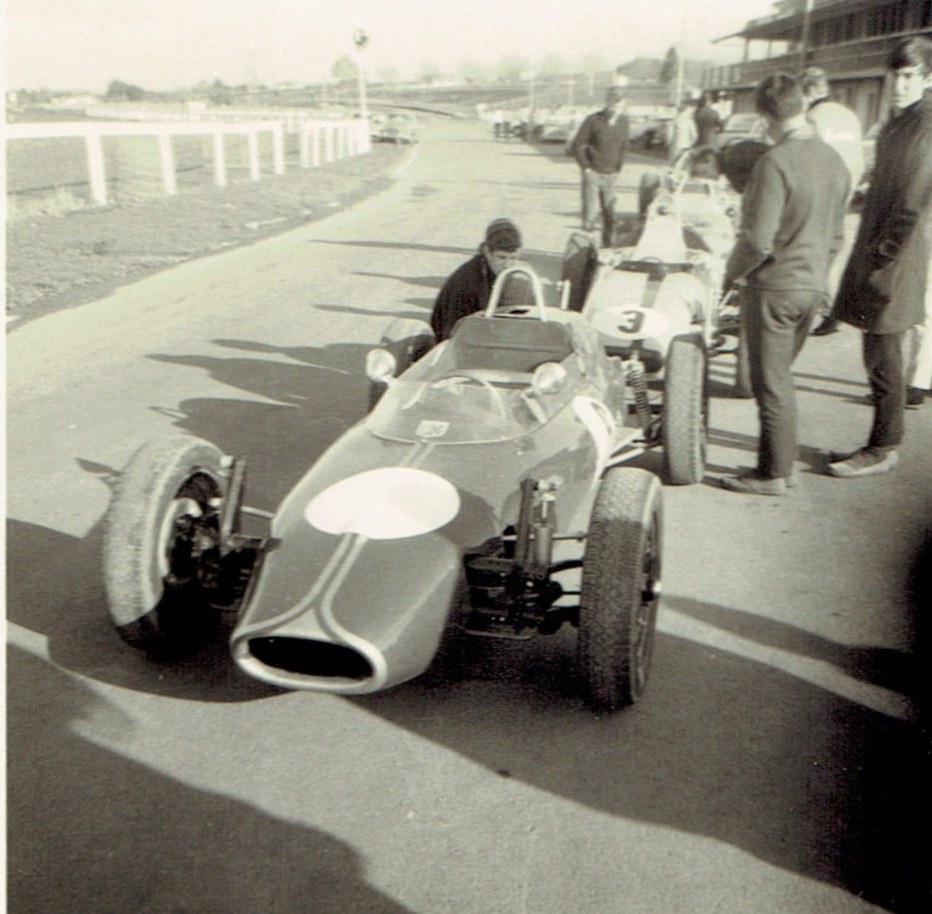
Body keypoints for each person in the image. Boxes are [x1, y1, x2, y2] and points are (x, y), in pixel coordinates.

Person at [719, 73, 850, 496]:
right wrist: (818, 273)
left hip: (774, 287)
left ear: (767, 117)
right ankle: (782, 464)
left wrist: (731, 272)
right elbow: (835, 236)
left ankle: (772, 473)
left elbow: (757, 239)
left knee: (770, 382)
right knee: (781, 378)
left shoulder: (774, 162)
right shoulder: (834, 160)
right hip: (811, 284)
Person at [826, 36, 932, 477]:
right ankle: (881, 442)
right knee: (877, 349)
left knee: (885, 351)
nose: (900, 83)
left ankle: (883, 447)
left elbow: (913, 200)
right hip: (882, 250)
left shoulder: (924, 124)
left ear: (928, 77)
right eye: (896, 75)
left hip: (895, 257)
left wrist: (882, 255)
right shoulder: (900, 121)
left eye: (909, 75)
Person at [799, 66, 866, 336]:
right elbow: (859, 159)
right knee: (835, 253)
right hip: (847, 191)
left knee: (814, 253)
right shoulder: (849, 115)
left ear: (807, 92)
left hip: (820, 194)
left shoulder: (811, 118)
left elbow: (804, 161)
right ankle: (834, 307)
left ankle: (827, 310)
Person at [429, 218, 522, 342]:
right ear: (487, 251)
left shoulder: (503, 273)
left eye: (513, 258)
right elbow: (452, 334)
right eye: (501, 257)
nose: (507, 265)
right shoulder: (466, 282)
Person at [571, 86, 630, 245]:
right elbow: (577, 145)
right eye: (613, 102)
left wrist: (618, 169)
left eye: (619, 103)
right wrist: (586, 168)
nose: (615, 106)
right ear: (607, 101)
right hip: (593, 175)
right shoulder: (593, 120)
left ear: (623, 104)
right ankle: (585, 252)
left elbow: (624, 147)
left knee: (610, 216)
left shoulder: (624, 122)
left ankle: (607, 250)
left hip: (611, 176)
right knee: (590, 217)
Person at [668, 98, 698, 165]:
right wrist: (692, 143)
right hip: (685, 145)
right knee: (683, 163)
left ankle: (673, 173)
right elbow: (695, 135)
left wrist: (669, 142)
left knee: (674, 163)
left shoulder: (675, 121)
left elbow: (669, 136)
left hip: (675, 145)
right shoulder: (689, 122)